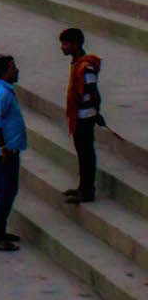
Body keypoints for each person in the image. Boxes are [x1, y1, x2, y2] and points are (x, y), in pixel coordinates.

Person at [0, 55, 27, 251]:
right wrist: (3, 147)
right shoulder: (3, 94)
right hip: (4, 152)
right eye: (12, 68)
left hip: (0, 149)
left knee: (0, 189)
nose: (16, 70)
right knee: (7, 190)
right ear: (4, 72)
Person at [60, 28, 103, 205]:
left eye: (65, 44)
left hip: (85, 118)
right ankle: (82, 187)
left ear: (75, 45)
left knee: (86, 154)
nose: (62, 47)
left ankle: (87, 190)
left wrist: (95, 113)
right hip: (79, 116)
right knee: (82, 153)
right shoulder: (77, 64)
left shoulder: (86, 67)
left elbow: (93, 93)